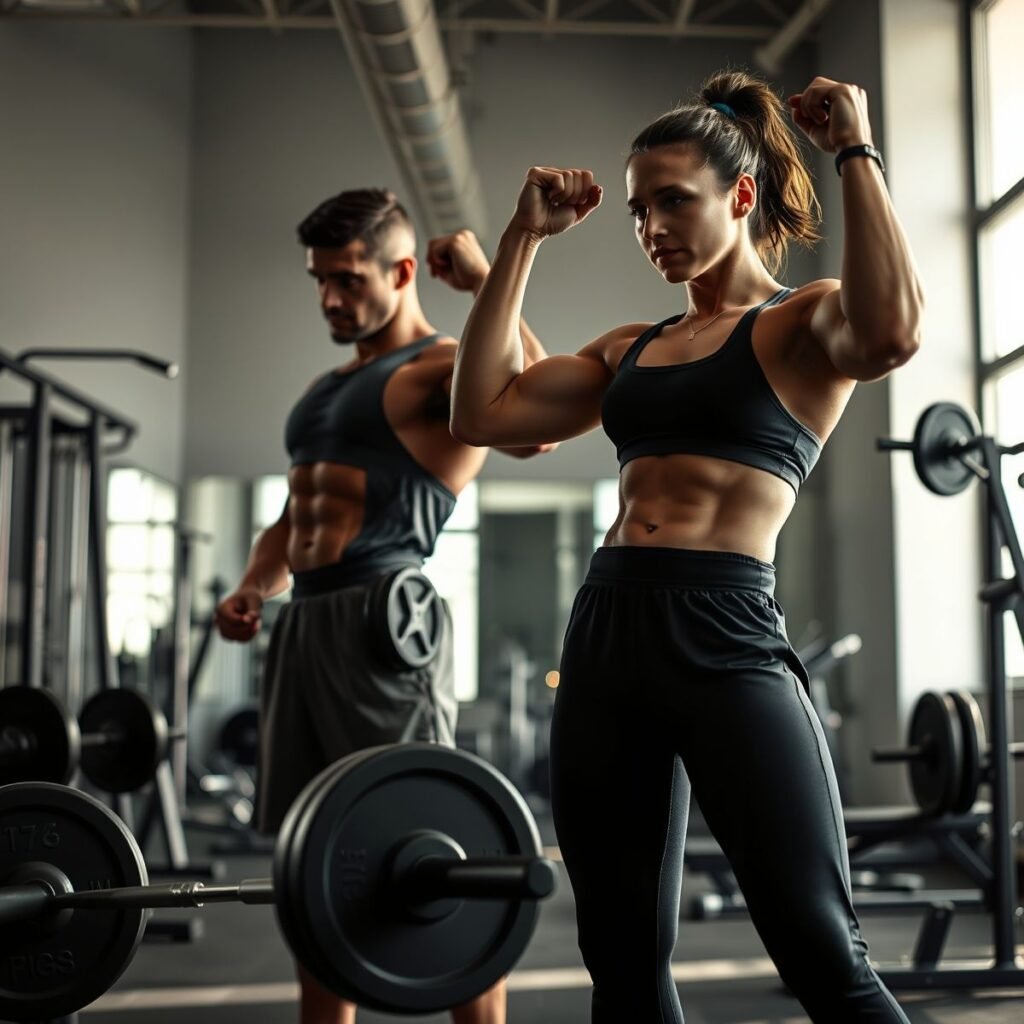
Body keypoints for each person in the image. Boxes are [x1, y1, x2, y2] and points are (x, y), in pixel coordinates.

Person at [449, 71, 922, 1023]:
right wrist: (521, 240)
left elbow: (892, 334)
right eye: (638, 210)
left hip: (724, 633)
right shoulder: (631, 346)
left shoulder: (801, 321)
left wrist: (855, 152)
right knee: (620, 959)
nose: (651, 227)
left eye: (673, 201)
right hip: (606, 635)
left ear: (740, 197)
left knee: (820, 948)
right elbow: (481, 412)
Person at [214, 188, 551, 1024]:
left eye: (349, 279)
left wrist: (485, 284)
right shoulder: (325, 388)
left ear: (402, 274)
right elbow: (293, 518)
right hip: (304, 625)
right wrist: (255, 585)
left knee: (428, 833)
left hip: (380, 624)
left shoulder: (442, 367)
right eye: (320, 280)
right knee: (314, 857)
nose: (330, 297)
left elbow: (537, 422)